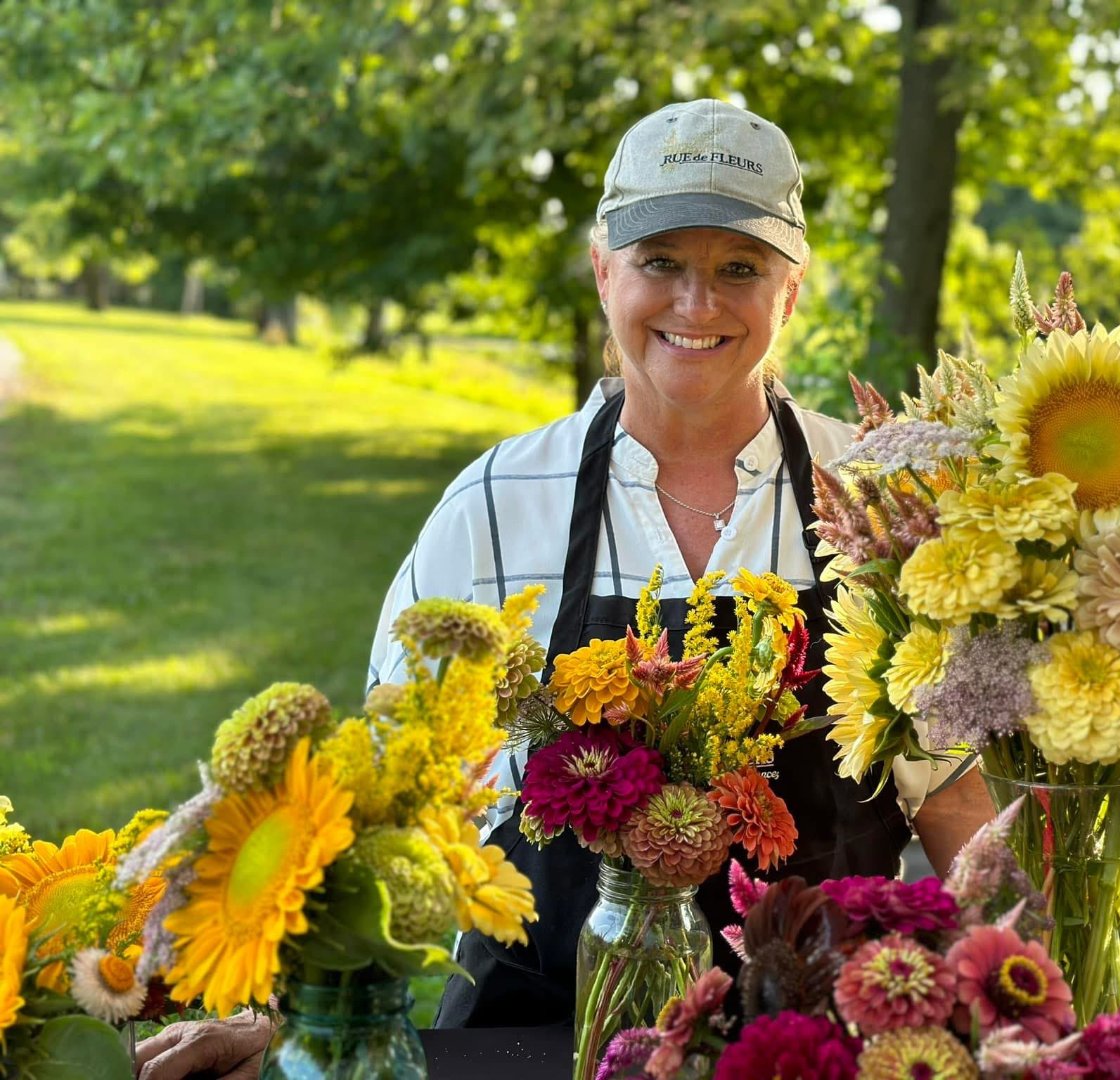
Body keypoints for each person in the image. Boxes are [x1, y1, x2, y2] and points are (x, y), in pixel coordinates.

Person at [134, 98, 994, 1077]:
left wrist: (1035, 996)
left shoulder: (882, 505)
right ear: (602, 272)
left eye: (739, 269)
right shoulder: (498, 505)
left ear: (790, 292)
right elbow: (383, 808)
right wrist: (280, 1015)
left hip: (819, 1043)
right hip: (527, 1037)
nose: (697, 304)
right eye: (660, 262)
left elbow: (957, 801)